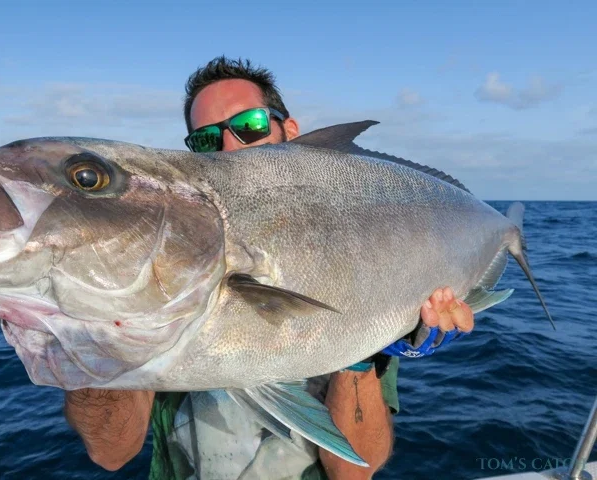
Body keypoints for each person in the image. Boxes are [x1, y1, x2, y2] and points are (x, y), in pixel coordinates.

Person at [59, 56, 476, 480]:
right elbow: (112, 452)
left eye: (250, 125)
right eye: (206, 139)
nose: (230, 146)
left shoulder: (361, 252)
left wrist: (362, 358)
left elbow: (354, 472)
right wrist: (92, 333)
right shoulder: (172, 253)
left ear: (289, 130)